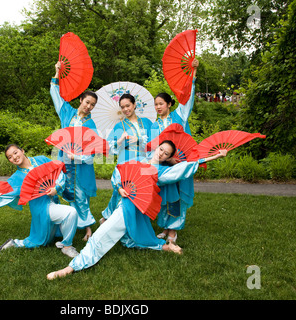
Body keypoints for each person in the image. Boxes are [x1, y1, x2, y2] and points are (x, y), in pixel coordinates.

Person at [46, 141, 227, 280]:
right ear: (157, 148)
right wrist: (120, 189)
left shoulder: (161, 172)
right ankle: (166, 247)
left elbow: (186, 167)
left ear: (167, 157)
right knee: (129, 240)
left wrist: (215, 157)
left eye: (166, 153)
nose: (162, 153)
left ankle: (71, 267)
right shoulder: (139, 160)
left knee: (100, 236)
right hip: (125, 203)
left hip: (133, 208)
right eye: (161, 149)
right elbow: (118, 173)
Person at [0, 144, 79, 258]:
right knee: (70, 213)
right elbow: (1, 194)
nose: (14, 157)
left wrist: (57, 187)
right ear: (10, 161)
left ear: (22, 151)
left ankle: (15, 243)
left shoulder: (41, 159)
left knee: (49, 237)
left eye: (15, 153)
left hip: (53, 201)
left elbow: (58, 169)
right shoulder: (17, 177)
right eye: (10, 157)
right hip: (41, 208)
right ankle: (67, 247)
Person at [151, 58, 199, 246]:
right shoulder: (155, 126)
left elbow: (188, 97)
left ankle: (173, 230)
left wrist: (192, 74)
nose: (158, 107)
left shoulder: (180, 116)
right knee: (165, 195)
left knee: (177, 196)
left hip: (180, 163)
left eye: (161, 103)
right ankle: (164, 226)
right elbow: (153, 148)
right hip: (164, 166)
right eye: (156, 104)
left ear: (169, 104)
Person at [50, 62, 99, 241]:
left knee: (80, 195)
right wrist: (57, 73)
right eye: (87, 102)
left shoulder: (92, 124)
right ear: (80, 100)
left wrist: (77, 156)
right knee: (65, 192)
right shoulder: (66, 113)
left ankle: (88, 229)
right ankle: (66, 224)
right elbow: (56, 95)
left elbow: (92, 150)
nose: (89, 107)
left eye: (92, 105)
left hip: (80, 164)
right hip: (63, 160)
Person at [100, 93, 153, 222]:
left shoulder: (146, 122)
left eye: (128, 105)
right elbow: (109, 148)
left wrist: (139, 139)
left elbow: (154, 141)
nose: (125, 109)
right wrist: (120, 140)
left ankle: (136, 216)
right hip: (126, 159)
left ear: (134, 105)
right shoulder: (119, 126)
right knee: (122, 188)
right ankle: (109, 216)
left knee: (139, 188)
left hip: (144, 160)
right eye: (122, 107)